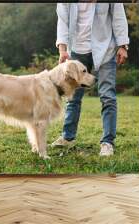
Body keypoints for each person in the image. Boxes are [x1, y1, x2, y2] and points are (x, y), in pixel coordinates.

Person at [51, 3, 129, 156]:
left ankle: (107, 142)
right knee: (73, 98)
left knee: (108, 97)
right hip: (77, 50)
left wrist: (123, 45)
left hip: (106, 48)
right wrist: (63, 49)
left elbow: (118, 16)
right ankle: (68, 137)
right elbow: (63, 20)